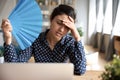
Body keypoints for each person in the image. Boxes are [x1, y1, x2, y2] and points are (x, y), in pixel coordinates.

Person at [1, 4, 86, 75]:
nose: (61, 30)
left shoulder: (70, 42)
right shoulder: (35, 39)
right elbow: (14, 66)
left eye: (67, 27)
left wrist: (77, 38)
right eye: (59, 23)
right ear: (51, 19)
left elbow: (80, 71)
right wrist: (8, 38)